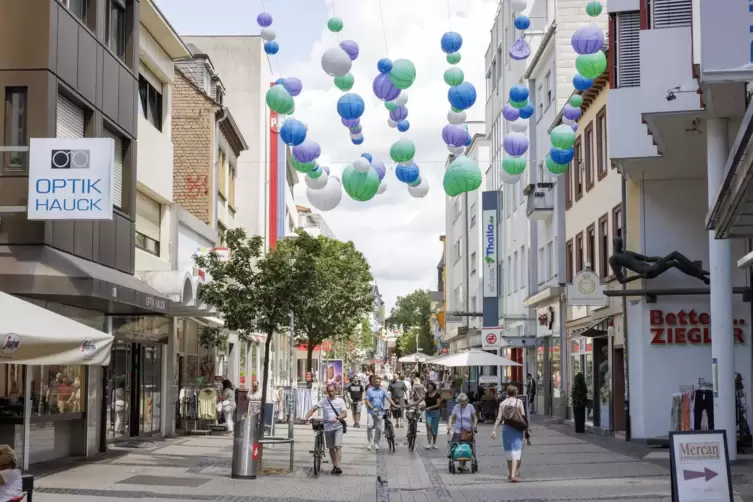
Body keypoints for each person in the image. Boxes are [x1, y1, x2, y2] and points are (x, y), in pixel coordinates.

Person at [305, 383, 347, 475]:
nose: (331, 393)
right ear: (327, 391)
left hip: (338, 427)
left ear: (336, 391)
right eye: (329, 391)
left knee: (337, 446)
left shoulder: (340, 401)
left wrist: (337, 418)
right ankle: (334, 465)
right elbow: (314, 409)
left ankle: (338, 466)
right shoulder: (324, 400)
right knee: (331, 448)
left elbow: (344, 413)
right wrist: (306, 417)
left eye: (333, 391)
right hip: (327, 427)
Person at [491, 385, 527, 482]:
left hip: (506, 428)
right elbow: (523, 416)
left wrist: (494, 430)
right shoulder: (519, 402)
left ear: (507, 392)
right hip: (517, 429)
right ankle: (513, 475)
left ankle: (510, 472)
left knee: (508, 451)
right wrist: (526, 430)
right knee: (516, 452)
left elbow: (499, 418)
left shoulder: (502, 403)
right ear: (516, 393)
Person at [364, 376, 397, 451]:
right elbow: (367, 401)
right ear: (373, 382)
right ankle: (370, 441)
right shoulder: (369, 390)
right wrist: (372, 407)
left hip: (380, 411)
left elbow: (388, 398)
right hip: (371, 411)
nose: (378, 383)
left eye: (379, 382)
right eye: (377, 382)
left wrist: (394, 405)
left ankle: (376, 442)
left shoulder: (383, 390)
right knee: (369, 426)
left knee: (378, 428)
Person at [446, 393, 477, 469]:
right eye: (460, 401)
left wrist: (475, 425)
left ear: (467, 400)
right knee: (456, 445)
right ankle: (459, 463)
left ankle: (463, 464)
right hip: (458, 430)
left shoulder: (471, 407)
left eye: (464, 401)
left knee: (467, 447)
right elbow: (451, 417)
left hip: (468, 431)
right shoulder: (456, 407)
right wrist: (449, 427)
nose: (462, 403)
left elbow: (475, 417)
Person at [423, 381, 442, 449]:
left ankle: (434, 443)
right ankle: (429, 443)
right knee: (428, 427)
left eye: (431, 387)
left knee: (434, 428)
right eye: (428, 387)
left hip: (436, 413)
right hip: (428, 414)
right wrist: (410, 405)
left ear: (433, 387)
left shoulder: (437, 394)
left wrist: (429, 407)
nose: (430, 388)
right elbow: (418, 401)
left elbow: (438, 404)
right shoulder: (426, 394)